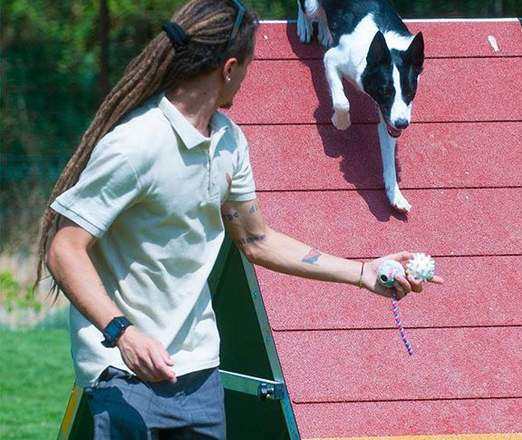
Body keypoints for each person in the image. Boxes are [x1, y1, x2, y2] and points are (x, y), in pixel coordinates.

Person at [36, 1, 443, 438]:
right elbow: (65, 248)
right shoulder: (135, 145)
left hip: (198, 370)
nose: (249, 77)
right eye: (248, 66)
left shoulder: (228, 144)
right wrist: (123, 332)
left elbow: (257, 240)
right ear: (229, 69)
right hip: (123, 372)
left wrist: (363, 271)